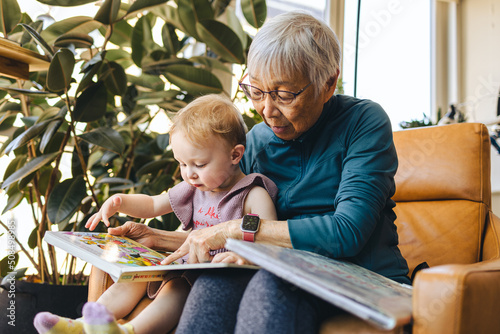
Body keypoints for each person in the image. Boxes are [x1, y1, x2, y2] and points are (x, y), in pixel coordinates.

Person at [32, 94, 278, 334]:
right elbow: (152, 204)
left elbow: (270, 240)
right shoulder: (193, 187)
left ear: (235, 155)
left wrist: (242, 256)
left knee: (176, 290)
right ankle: (83, 325)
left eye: (199, 164)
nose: (189, 173)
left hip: (212, 277)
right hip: (182, 264)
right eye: (181, 163)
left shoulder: (251, 195)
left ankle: (128, 330)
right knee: (134, 278)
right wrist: (121, 201)